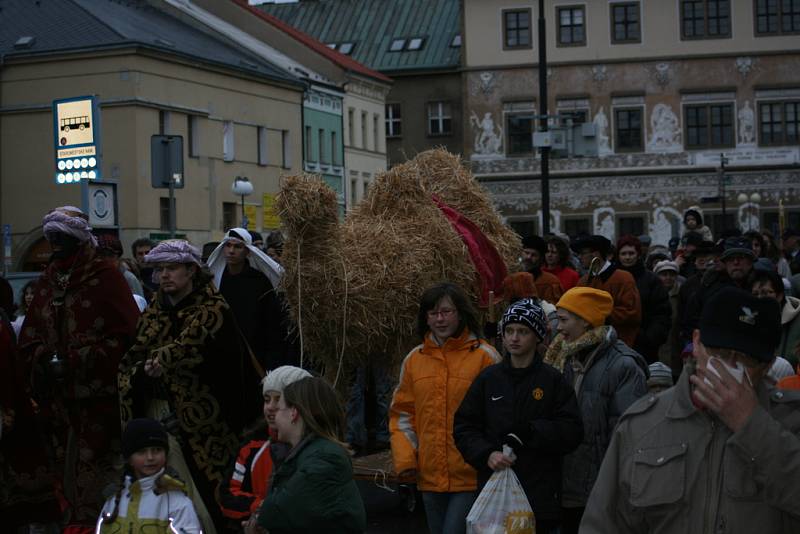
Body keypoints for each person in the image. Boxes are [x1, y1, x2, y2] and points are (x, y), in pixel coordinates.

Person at [580, 287, 800, 533]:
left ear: (768, 365)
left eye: (746, 360)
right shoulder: (642, 423)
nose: (729, 368)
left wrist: (751, 424)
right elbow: (603, 523)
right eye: (720, 353)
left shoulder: (791, 420)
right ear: (696, 343)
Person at [118, 239, 263, 531]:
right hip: (159, 419)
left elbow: (228, 373)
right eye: (160, 270)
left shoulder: (213, 311)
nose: (164, 276)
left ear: (191, 271)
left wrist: (168, 364)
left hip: (207, 427)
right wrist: (144, 374)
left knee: (207, 504)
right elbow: (129, 363)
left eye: (172, 268)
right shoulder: (153, 314)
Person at [17, 206, 139, 526]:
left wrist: (78, 359)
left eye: (62, 237)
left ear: (79, 239)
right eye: (51, 238)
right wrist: (43, 358)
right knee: (61, 477)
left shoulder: (106, 276)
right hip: (57, 405)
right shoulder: (46, 280)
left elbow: (127, 336)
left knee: (99, 482)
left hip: (99, 403)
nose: (55, 244)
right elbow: (29, 335)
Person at [453, 299, 583, 534]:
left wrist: (533, 431)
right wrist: (486, 454)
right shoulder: (488, 379)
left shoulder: (552, 380)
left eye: (522, 331)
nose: (514, 338)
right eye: (509, 331)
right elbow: (464, 426)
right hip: (493, 492)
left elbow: (572, 430)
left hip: (539, 496)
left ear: (537, 336)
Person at [389, 282, 501, 534]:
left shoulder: (485, 356)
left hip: (471, 473)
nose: (440, 319)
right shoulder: (414, 359)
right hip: (429, 476)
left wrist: (488, 455)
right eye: (433, 313)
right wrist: (406, 457)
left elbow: (499, 415)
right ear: (425, 319)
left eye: (446, 311)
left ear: (460, 313)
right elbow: (403, 413)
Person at [543, 287, 648, 534]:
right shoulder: (562, 355)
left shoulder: (623, 366)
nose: (558, 327)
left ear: (586, 321)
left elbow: (628, 435)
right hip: (563, 479)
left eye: (565, 320)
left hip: (600, 485)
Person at [246, 377, 366, 534]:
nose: (274, 415)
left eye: (280, 407)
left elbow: (281, 510)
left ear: (294, 413)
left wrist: (259, 519)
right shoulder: (307, 453)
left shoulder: (325, 457)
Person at [219, 365, 310, 523]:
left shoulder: (314, 449)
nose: (270, 407)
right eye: (267, 400)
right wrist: (261, 506)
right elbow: (227, 495)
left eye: (278, 399)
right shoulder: (253, 446)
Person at [96, 418, 202, 532]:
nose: (150, 457)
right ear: (129, 459)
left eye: (157, 450)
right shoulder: (113, 500)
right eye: (142, 451)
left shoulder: (177, 502)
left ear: (166, 455)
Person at [207, 228, 287, 370]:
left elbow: (272, 323)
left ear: (247, 252)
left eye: (237, 246)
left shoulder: (259, 281)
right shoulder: (216, 280)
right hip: (224, 353)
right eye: (228, 245)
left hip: (255, 353)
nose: (231, 251)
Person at [682, 237, 756, 343]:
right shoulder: (709, 288)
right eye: (731, 258)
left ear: (751, 262)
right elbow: (691, 322)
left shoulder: (762, 287)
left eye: (741, 257)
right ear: (725, 263)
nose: (736, 262)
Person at [573, 235, 642, 347]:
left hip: (619, 345)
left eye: (583, 253)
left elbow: (631, 313)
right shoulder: (583, 281)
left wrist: (598, 316)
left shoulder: (624, 278)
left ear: (596, 254)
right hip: (589, 346)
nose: (579, 257)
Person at [617, 235, 672, 364]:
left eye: (631, 253)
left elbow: (662, 313)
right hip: (616, 342)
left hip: (645, 346)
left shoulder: (651, 280)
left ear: (638, 254)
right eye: (623, 253)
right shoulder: (612, 279)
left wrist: (650, 338)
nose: (627, 257)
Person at [749, 268, 800, 369]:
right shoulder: (748, 320)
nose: (759, 298)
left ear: (779, 296)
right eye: (755, 294)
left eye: (765, 293)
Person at [654, 260, 684, 378]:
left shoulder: (682, 296)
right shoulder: (653, 295)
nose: (668, 278)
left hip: (676, 347)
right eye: (664, 274)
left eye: (671, 274)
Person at [521, 235, 564, 303]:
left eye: (534, 255)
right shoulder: (511, 277)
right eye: (526, 253)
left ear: (540, 259)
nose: (528, 257)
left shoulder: (550, 282)